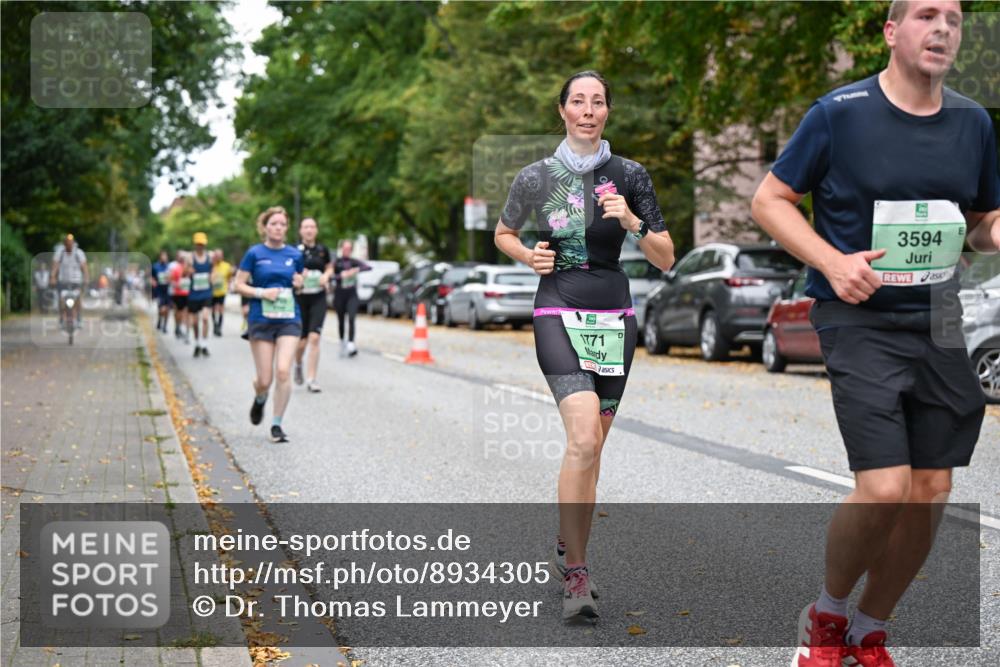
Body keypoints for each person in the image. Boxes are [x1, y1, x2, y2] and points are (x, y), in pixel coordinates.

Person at [750, 2, 999, 665]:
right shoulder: (841, 113)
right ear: (892, 32)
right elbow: (769, 200)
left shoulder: (973, 122)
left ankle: (869, 627)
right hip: (859, 313)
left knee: (932, 489)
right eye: (925, 14)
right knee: (885, 485)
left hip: (941, 311)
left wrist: (996, 231)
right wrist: (831, 260)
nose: (942, 27)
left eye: (952, 17)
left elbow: (980, 219)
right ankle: (825, 618)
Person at [494, 71, 674, 620]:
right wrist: (528, 257)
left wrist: (632, 221)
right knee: (581, 439)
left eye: (598, 102)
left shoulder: (630, 175)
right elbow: (504, 232)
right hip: (557, 309)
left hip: (614, 317)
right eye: (579, 101)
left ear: (607, 113)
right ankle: (577, 575)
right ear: (563, 111)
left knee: (593, 447)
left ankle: (569, 543)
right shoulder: (536, 176)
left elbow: (666, 257)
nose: (588, 110)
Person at [233, 206, 304, 443]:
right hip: (261, 319)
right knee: (265, 379)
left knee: (283, 371)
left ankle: (276, 424)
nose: (278, 228)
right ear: (265, 227)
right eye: (274, 223)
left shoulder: (295, 255)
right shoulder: (254, 253)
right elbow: (238, 285)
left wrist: (300, 282)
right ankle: (260, 397)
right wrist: (262, 292)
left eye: (282, 224)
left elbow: (299, 285)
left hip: (288, 319)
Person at [294, 218, 333, 392]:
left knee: (315, 338)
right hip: (300, 298)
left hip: (318, 297)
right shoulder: (294, 250)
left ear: (316, 230)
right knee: (301, 343)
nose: (309, 230)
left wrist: (327, 275)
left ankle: (311, 379)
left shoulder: (323, 250)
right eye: (305, 227)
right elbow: (289, 270)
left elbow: (330, 267)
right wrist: (298, 276)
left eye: (312, 227)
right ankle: (298, 363)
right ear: (300, 231)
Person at [332, 240, 370, 357]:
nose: (347, 251)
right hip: (339, 294)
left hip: (352, 294)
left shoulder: (354, 262)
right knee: (341, 320)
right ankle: (342, 341)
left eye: (349, 249)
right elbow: (330, 276)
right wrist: (340, 276)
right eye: (345, 248)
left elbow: (368, 267)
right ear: (341, 249)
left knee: (352, 318)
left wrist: (356, 270)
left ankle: (351, 343)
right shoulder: (336, 262)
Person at [50, 233, 89, 329]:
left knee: (78, 298)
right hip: (63, 281)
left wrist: (86, 278)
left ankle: (79, 318)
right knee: (61, 300)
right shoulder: (60, 253)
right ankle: (61, 318)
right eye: (67, 243)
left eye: (70, 243)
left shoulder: (79, 253)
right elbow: (55, 266)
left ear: (73, 243)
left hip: (76, 281)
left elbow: (84, 267)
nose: (69, 245)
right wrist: (53, 277)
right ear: (64, 244)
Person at [187, 233, 214, 357]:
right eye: (198, 244)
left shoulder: (210, 256)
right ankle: (197, 342)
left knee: (205, 318)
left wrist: (211, 277)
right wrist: (188, 271)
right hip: (194, 294)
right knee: (195, 322)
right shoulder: (190, 258)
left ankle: (204, 344)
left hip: (206, 292)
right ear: (195, 244)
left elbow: (214, 272)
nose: (200, 246)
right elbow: (184, 273)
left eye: (202, 244)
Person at [170, 251, 191, 343]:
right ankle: (178, 326)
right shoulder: (176, 269)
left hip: (188, 294)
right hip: (178, 294)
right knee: (179, 312)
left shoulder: (190, 269)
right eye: (181, 258)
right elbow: (171, 280)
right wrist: (176, 285)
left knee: (187, 313)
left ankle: (186, 332)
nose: (183, 260)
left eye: (184, 258)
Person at [211, 249, 233, 337]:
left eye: (220, 255)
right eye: (217, 255)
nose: (218, 257)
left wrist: (228, 284)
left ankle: (219, 327)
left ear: (222, 256)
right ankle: (215, 325)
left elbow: (229, 276)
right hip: (212, 292)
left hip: (222, 291)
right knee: (213, 309)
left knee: (220, 309)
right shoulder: (212, 266)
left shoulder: (227, 266)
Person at [152, 250, 171, 332]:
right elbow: (151, 277)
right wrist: (153, 282)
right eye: (163, 256)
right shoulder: (155, 266)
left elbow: (173, 277)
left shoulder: (169, 267)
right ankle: (160, 319)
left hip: (168, 290)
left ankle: (165, 326)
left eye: (166, 256)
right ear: (160, 257)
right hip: (159, 290)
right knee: (161, 309)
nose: (164, 258)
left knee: (167, 309)